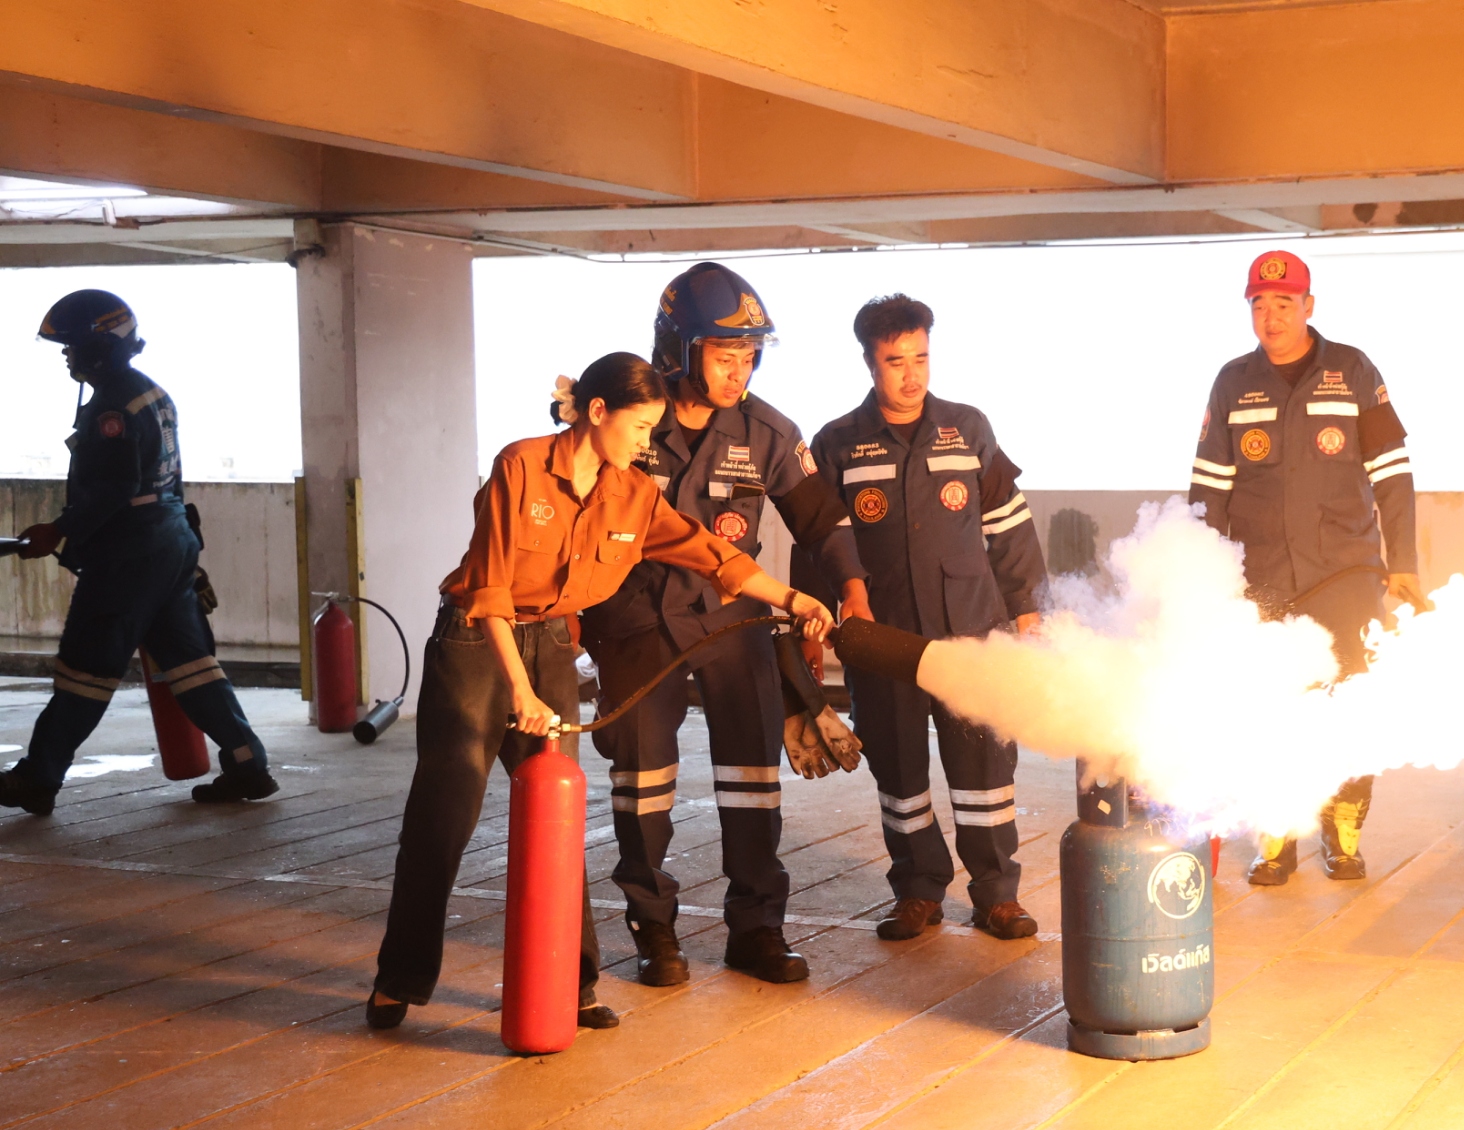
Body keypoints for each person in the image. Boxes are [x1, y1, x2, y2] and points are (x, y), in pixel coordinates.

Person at [365, 352, 833, 1033]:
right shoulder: (521, 466)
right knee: (444, 815)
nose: (646, 443)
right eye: (639, 427)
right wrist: (521, 692)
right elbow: (489, 590)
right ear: (596, 411)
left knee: (557, 820)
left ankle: (573, 986)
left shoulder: (632, 494)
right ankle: (399, 980)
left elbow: (711, 553)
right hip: (477, 645)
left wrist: (794, 599)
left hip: (552, 642)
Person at [580, 263, 871, 989]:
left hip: (732, 621)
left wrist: (853, 594)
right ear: (678, 348)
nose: (739, 370)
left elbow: (822, 521)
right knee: (643, 785)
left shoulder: (768, 432)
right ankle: (653, 929)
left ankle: (757, 929)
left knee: (751, 780)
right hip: (635, 620)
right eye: (724, 354)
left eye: (750, 355)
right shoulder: (628, 419)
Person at [802, 295, 1049, 942]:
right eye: (895, 361)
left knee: (985, 767)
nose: (911, 375)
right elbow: (818, 541)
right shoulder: (837, 443)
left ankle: (997, 894)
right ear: (869, 362)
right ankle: (917, 889)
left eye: (921, 357)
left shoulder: (968, 428)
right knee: (898, 767)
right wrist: (809, 623)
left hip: (972, 631)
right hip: (884, 641)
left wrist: (1028, 611)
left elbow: (1009, 524)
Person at [1186, 249, 1424, 886]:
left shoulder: (1353, 370)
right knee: (1269, 709)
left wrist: (1403, 561)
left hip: (1346, 576)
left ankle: (1342, 837)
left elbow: (1392, 475)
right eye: (1259, 304)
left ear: (1308, 305)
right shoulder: (1232, 382)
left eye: (1284, 303)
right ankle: (1276, 836)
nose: (1271, 317)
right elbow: (1208, 491)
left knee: (1350, 707)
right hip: (1262, 578)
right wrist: (1199, 581)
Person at [0, 289, 275, 817]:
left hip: (129, 556)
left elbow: (115, 487)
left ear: (100, 347)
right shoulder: (150, 392)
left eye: (72, 345)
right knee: (190, 665)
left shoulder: (112, 405)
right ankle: (247, 763)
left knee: (86, 670)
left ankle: (38, 778)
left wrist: (57, 530)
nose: (66, 355)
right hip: (169, 542)